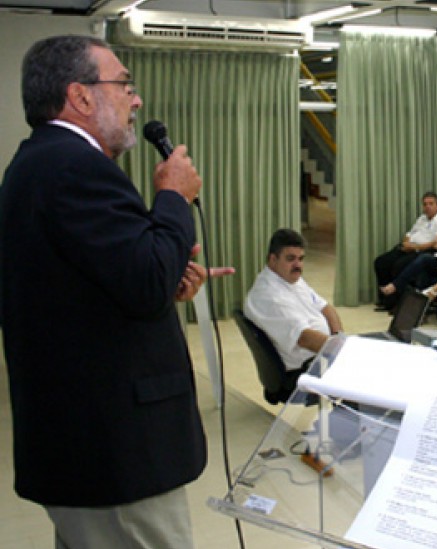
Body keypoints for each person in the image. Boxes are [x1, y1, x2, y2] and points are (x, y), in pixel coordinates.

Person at [0, 35, 234, 548]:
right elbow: (144, 282)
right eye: (124, 84)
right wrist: (173, 197)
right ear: (80, 95)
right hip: (114, 451)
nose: (136, 99)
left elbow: (93, 287)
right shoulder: (75, 167)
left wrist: (167, 276)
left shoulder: (40, 163)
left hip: (83, 446)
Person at [244, 229, 343, 388]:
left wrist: (339, 337)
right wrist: (343, 351)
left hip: (324, 352)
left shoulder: (290, 279)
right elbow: (305, 338)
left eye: (301, 259)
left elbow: (326, 308)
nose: (298, 265)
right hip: (307, 368)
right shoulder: (269, 296)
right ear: (273, 259)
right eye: (290, 259)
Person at [373, 191, 437, 309]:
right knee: (381, 262)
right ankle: (386, 299)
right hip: (409, 247)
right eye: (425, 204)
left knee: (398, 266)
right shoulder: (422, 218)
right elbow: (410, 233)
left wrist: (414, 247)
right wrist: (407, 242)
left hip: (423, 251)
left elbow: (436, 243)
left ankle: (397, 303)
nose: (427, 207)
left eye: (431, 204)